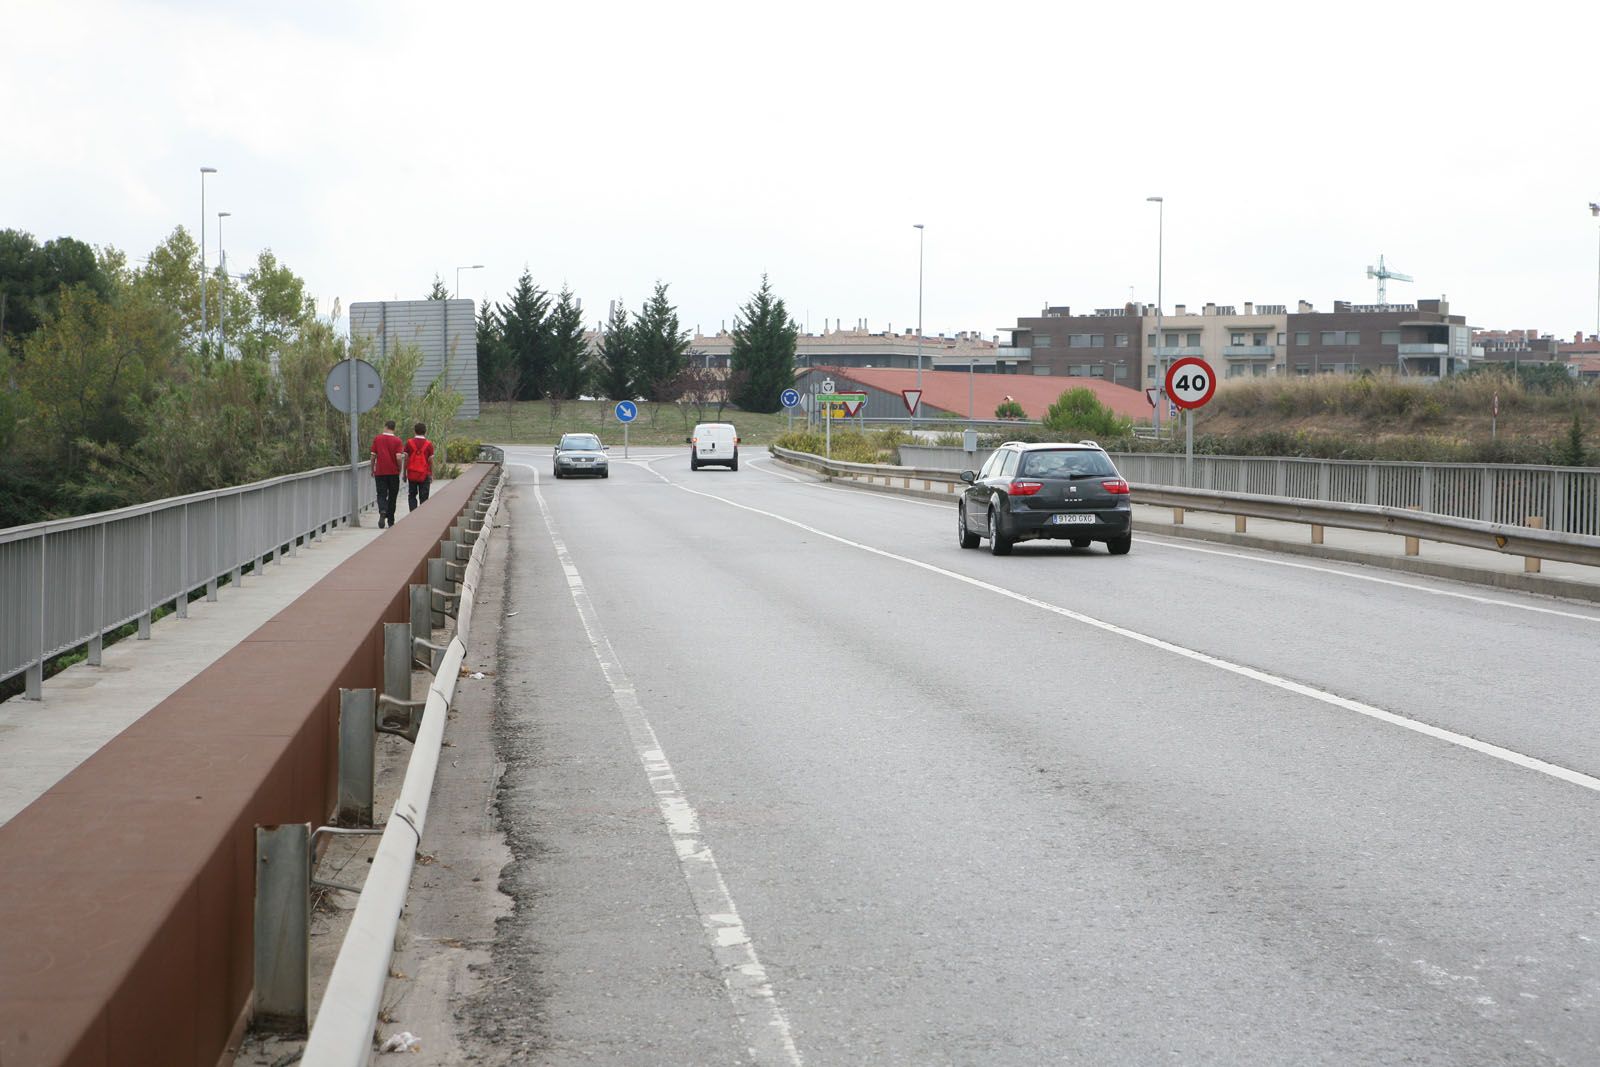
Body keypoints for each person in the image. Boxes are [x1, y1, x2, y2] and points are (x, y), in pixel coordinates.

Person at [370, 419, 405, 528]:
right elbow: (398, 457)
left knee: (381, 494)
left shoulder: (377, 439)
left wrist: (372, 469)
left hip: (380, 472)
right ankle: (391, 520)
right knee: (392, 496)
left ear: (385, 427)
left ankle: (383, 510)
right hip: (393, 472)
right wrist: (399, 469)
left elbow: (373, 456)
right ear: (394, 428)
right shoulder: (398, 441)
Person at [405, 421, 435, 512]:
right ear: (425, 431)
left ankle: (413, 514)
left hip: (412, 473)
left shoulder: (409, 443)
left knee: (412, 495)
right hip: (425, 474)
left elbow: (406, 458)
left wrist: (404, 473)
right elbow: (431, 461)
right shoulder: (429, 444)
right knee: (424, 496)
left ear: (414, 431)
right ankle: (422, 514)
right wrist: (431, 474)